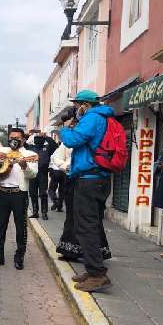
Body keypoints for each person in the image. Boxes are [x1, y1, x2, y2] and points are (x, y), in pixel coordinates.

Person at [61, 89, 113, 292]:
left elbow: (72, 141)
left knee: (86, 227)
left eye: (77, 105)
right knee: (89, 225)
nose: (75, 109)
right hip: (96, 178)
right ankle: (93, 271)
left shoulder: (92, 118)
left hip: (90, 179)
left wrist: (65, 128)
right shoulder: (101, 117)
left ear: (85, 105)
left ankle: (98, 274)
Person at [0, 128, 37, 270]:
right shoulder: (4, 151)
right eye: (11, 137)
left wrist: (25, 166)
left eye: (17, 137)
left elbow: (32, 175)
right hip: (2, 193)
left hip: (19, 194)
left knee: (21, 228)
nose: (13, 140)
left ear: (23, 140)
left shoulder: (30, 154)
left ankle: (19, 258)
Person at [54, 142, 112, 261]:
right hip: (73, 180)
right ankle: (70, 251)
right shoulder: (69, 141)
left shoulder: (99, 140)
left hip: (94, 182)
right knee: (72, 216)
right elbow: (57, 157)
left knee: (92, 218)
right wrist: (67, 166)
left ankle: (95, 254)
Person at [25, 128, 57, 220]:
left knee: (43, 194)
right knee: (33, 193)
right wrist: (29, 134)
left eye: (40, 138)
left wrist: (46, 136)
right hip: (32, 174)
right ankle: (35, 212)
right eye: (37, 138)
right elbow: (23, 143)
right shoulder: (30, 148)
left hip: (43, 174)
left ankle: (44, 212)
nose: (38, 139)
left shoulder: (47, 148)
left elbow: (54, 145)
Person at [48, 132, 66, 212]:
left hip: (56, 171)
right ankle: (59, 206)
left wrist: (50, 170)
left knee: (51, 189)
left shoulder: (57, 151)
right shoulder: (69, 149)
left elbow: (52, 160)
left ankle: (56, 201)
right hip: (64, 171)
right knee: (62, 189)